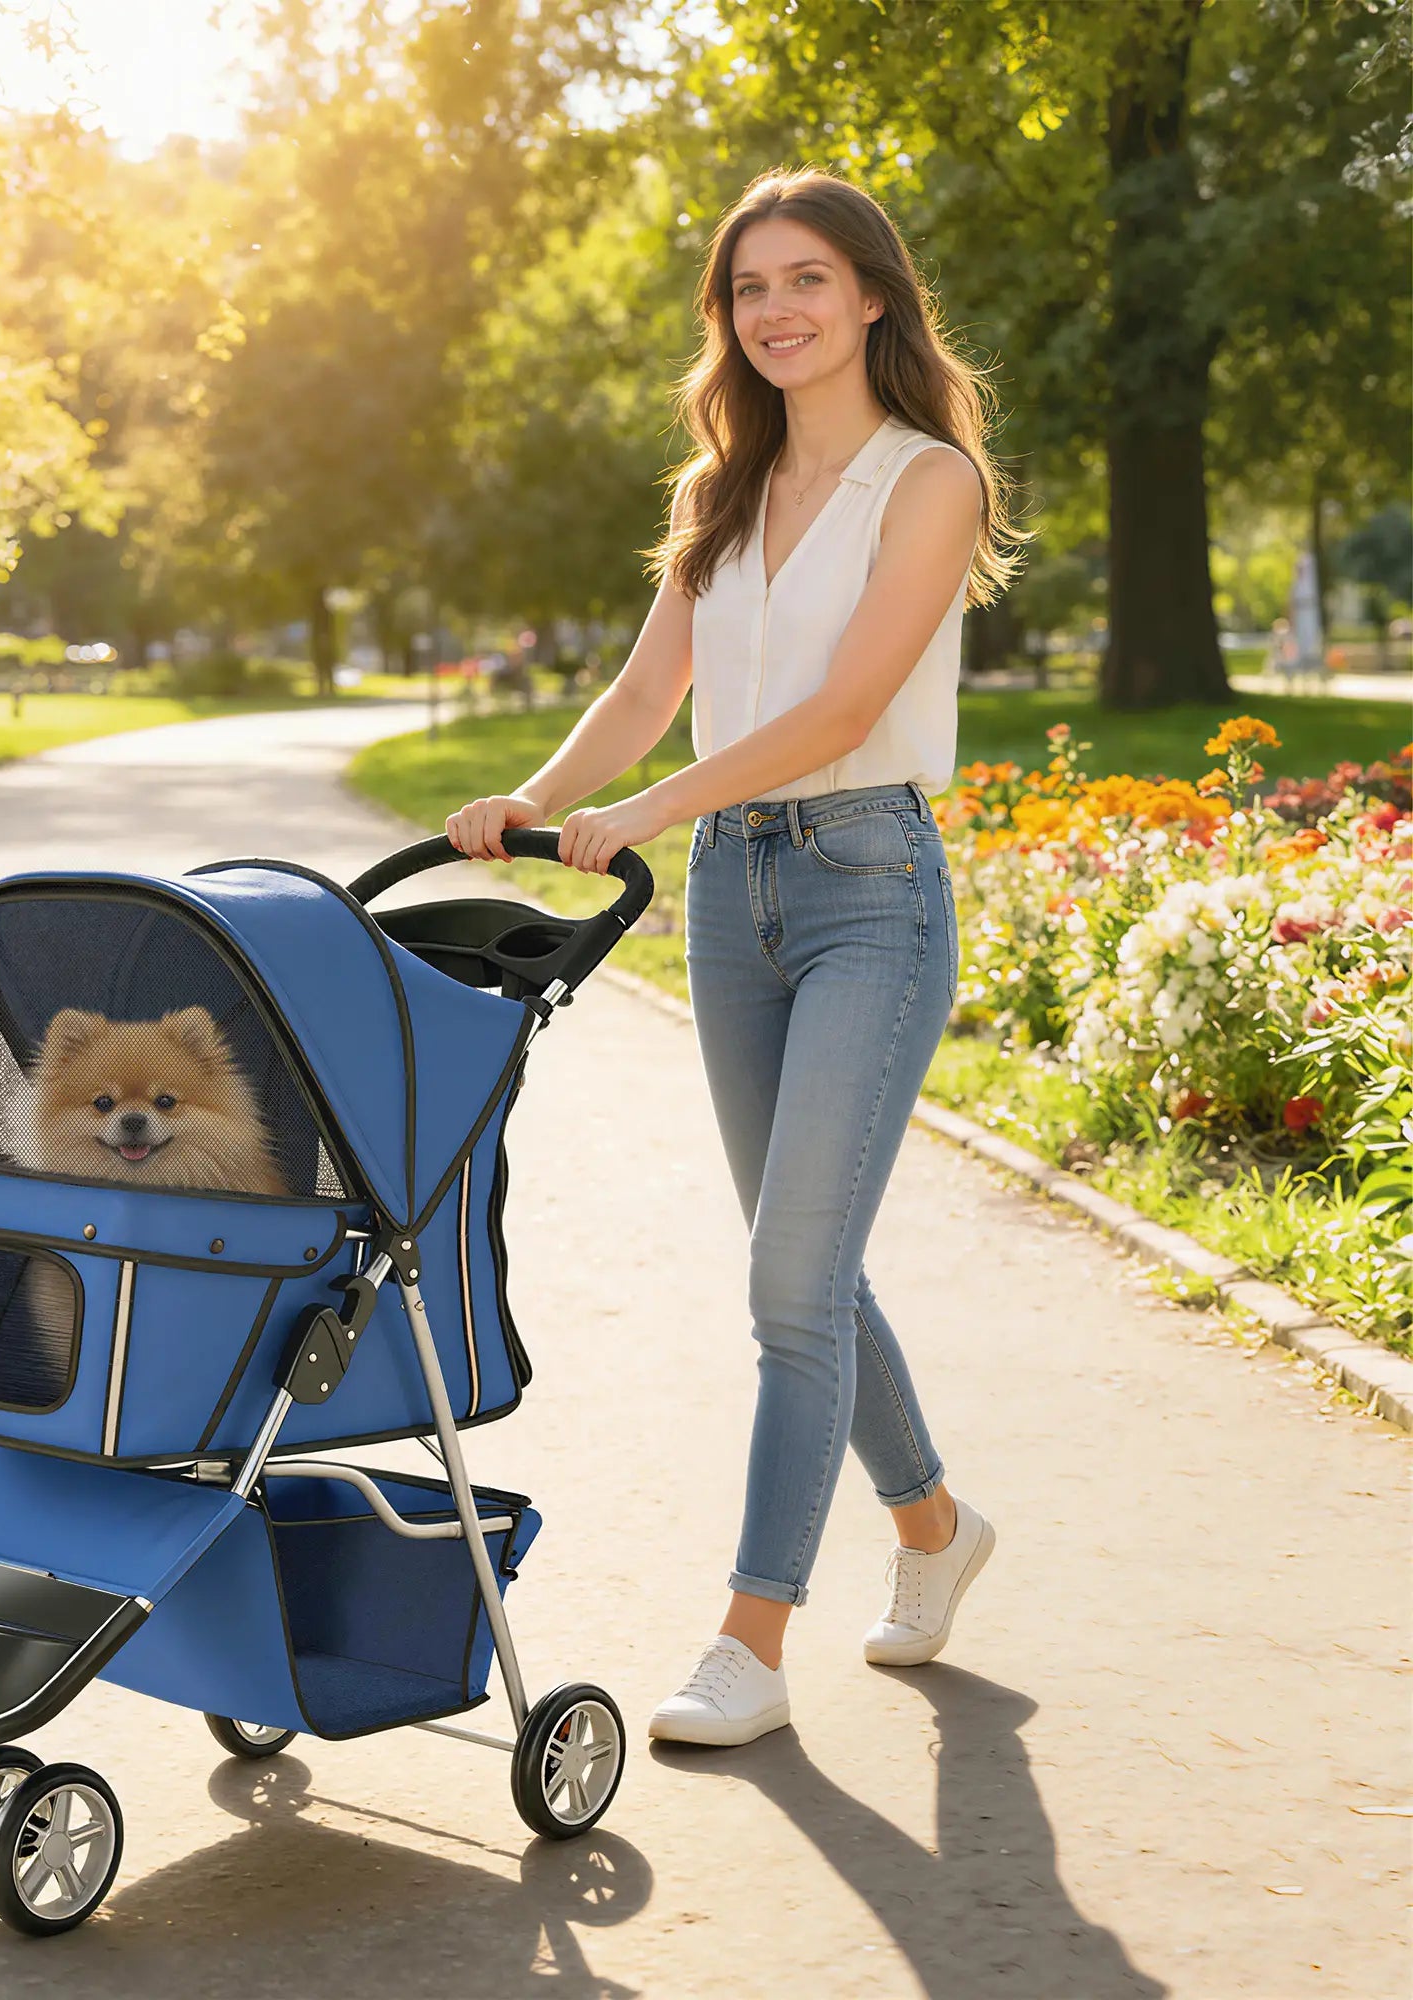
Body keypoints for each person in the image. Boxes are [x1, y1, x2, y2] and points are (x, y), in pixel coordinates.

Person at [445, 166, 1025, 1747]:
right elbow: (645, 690)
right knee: (804, 1267)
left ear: (874, 298)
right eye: (748, 289)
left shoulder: (929, 482)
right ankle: (934, 1531)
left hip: (868, 891)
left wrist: (640, 811)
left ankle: (750, 1642)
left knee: (788, 1280)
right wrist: (543, 798)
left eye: (807, 282)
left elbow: (841, 713)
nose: (776, 311)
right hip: (735, 901)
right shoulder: (725, 489)